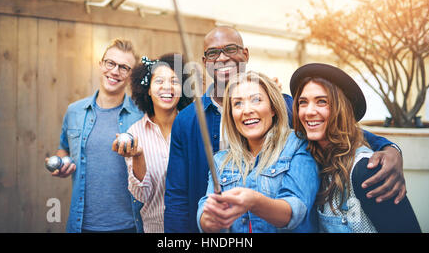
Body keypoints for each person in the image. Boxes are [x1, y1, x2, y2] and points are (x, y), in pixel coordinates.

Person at [164, 26, 405, 233]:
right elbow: (177, 198)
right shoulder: (188, 122)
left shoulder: (290, 119)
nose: (223, 58)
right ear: (205, 62)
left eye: (231, 49)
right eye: (213, 53)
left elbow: (336, 128)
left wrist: (389, 148)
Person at [290, 63, 421, 233]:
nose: (309, 111)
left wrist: (393, 148)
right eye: (303, 102)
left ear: (341, 109)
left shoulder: (367, 170)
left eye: (321, 102)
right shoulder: (311, 159)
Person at [197, 71, 319, 233]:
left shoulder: (298, 145)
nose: (247, 110)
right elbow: (205, 217)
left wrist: (254, 201)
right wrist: (211, 219)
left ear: (273, 108)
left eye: (256, 100)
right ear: (231, 114)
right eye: (238, 103)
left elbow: (294, 212)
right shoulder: (221, 160)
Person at [46, 39, 144, 233]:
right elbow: (63, 147)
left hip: (129, 226)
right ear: (101, 64)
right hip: (82, 225)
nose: (115, 71)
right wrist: (63, 163)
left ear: (131, 75)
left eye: (124, 67)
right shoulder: (74, 111)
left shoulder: (141, 116)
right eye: (110, 63)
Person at [112, 53, 193, 233]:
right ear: (148, 89)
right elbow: (141, 194)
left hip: (193, 227)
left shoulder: (193, 129)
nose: (167, 87)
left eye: (174, 81)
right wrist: (138, 156)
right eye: (159, 81)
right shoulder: (135, 133)